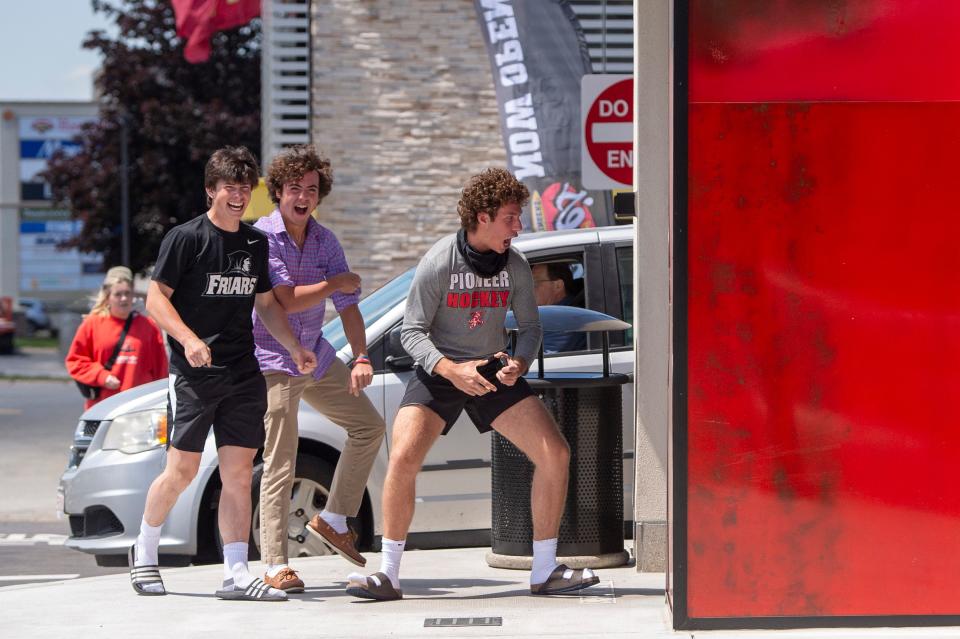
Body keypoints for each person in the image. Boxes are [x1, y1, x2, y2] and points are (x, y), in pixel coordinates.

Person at [345, 168, 599, 601]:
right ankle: (388, 574)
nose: (518, 227)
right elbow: (411, 331)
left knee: (555, 452)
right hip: (440, 371)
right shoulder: (440, 260)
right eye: (510, 218)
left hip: (493, 370)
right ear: (482, 217)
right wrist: (449, 369)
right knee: (403, 456)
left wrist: (518, 362)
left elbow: (533, 329)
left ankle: (544, 570)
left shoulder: (516, 265)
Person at [128, 146, 318, 602]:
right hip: (194, 374)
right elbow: (156, 299)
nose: (237, 196)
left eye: (243, 188)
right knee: (182, 470)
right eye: (228, 188)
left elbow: (268, 304)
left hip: (242, 371)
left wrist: (293, 346)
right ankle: (145, 550)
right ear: (210, 191)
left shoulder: (255, 243)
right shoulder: (186, 238)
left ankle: (236, 572)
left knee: (237, 473)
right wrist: (189, 339)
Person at [252, 145, 386, 593]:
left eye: (311, 189)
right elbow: (285, 300)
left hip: (315, 354)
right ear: (278, 192)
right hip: (273, 359)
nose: (303, 196)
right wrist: (334, 284)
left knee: (369, 426)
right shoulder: (262, 236)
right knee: (281, 459)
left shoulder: (326, 240)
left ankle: (332, 517)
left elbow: (347, 306)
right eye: (295, 188)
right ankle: (275, 564)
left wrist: (362, 355)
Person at [65, 266, 168, 409]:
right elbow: (76, 361)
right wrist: (102, 376)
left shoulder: (149, 326)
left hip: (139, 408)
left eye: (127, 293)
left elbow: (161, 370)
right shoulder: (92, 324)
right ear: (107, 297)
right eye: (118, 294)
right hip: (103, 407)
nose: (124, 298)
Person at [531, 262, 587, 353]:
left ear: (558, 286)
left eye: (534, 283)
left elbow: (541, 359)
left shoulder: (567, 319)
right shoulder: (547, 314)